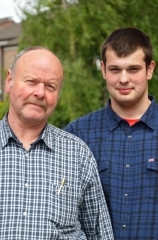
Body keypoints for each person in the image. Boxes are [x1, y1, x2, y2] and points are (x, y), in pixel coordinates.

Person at [0, 46, 114, 239]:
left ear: (58, 95)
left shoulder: (78, 154)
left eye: (50, 86)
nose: (40, 93)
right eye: (31, 81)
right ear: (9, 81)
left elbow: (99, 233)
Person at [65, 27, 158, 239]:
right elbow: (64, 211)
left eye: (133, 69)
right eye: (115, 70)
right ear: (104, 70)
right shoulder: (77, 134)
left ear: (149, 69)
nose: (123, 79)